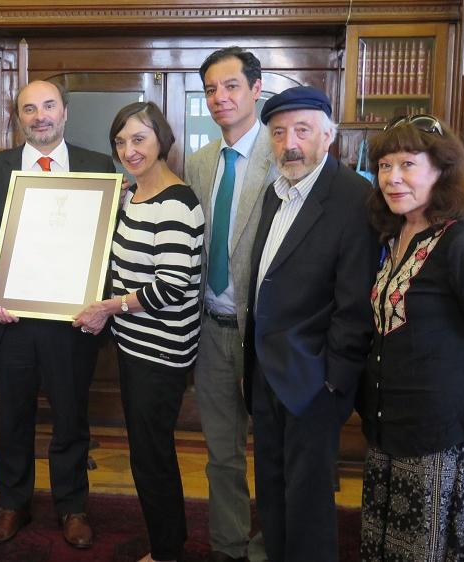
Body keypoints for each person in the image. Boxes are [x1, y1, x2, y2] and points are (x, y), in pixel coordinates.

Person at [359, 114, 464, 561]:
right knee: (383, 538)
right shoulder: (395, 232)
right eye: (385, 166)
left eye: (407, 164)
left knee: (423, 545)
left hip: (437, 425)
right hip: (389, 418)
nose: (392, 179)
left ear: (443, 171)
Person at [0, 80, 115, 549]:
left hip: (71, 322)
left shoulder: (97, 166)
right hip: (13, 319)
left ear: (65, 112)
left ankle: (72, 505)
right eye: (29, 109)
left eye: (48, 106)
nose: (40, 116)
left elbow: (108, 241)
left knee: (71, 418)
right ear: (19, 117)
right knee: (12, 415)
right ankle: (12, 503)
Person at [245, 86, 376, 562]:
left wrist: (332, 385)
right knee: (273, 491)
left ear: (329, 134)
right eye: (278, 133)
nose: (289, 143)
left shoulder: (354, 198)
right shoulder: (274, 193)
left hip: (313, 380)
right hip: (266, 372)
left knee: (308, 502)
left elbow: (356, 306)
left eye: (301, 130)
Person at [73, 102, 204, 562]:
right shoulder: (132, 194)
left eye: (139, 139)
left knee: (152, 456)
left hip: (161, 352)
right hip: (135, 345)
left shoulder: (176, 202)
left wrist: (108, 308)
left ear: (161, 140)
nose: (129, 150)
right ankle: (168, 540)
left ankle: (168, 551)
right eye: (121, 141)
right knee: (147, 451)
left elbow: (170, 286)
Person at [182, 47, 275, 562]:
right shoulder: (200, 162)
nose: (221, 98)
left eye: (232, 86)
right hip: (211, 328)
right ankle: (229, 546)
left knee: (276, 453)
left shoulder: (283, 156)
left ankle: (275, 541)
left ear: (256, 88)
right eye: (212, 89)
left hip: (267, 333)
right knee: (222, 454)